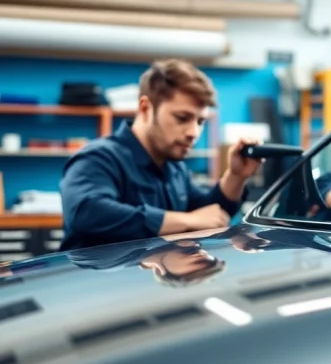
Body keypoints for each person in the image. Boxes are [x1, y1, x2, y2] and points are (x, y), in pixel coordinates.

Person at [59, 59, 261, 251]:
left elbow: (210, 213)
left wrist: (236, 176)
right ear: (146, 108)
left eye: (200, 121)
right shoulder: (98, 157)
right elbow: (87, 211)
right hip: (96, 285)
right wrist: (186, 221)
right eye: (182, 118)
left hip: (150, 284)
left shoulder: (174, 167)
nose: (194, 133)